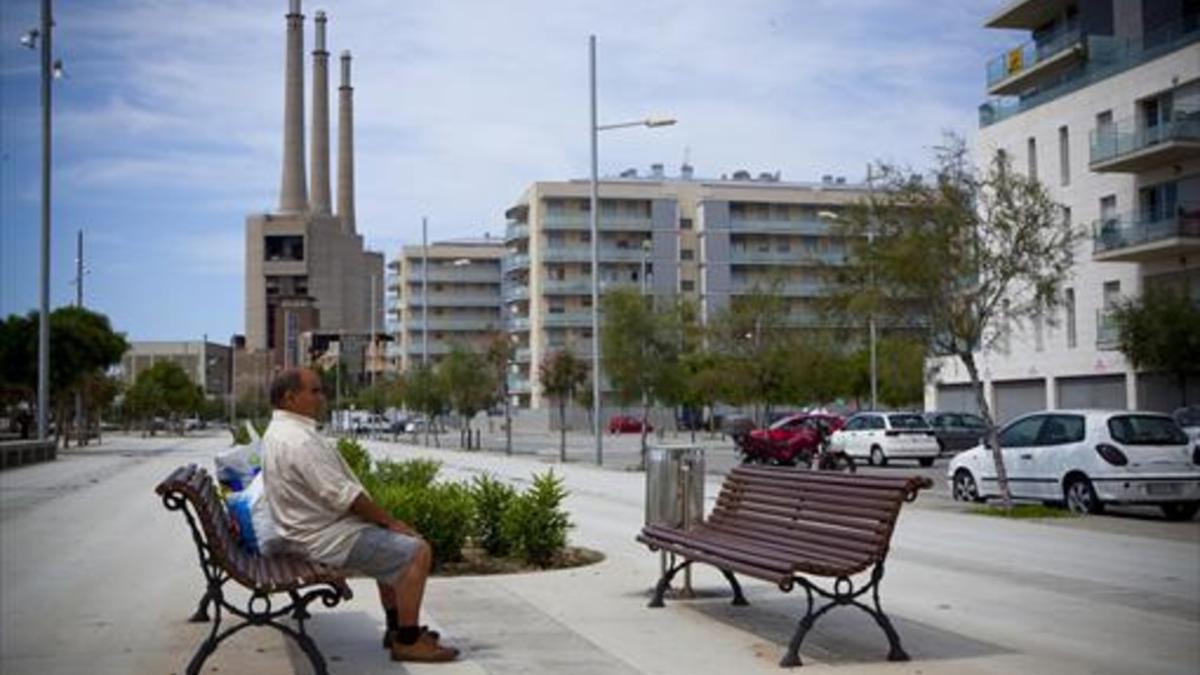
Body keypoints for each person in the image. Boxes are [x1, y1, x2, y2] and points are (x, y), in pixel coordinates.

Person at [262, 367, 458, 663]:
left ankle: (396, 629)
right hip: (320, 537)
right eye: (314, 391)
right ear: (290, 398)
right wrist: (390, 521)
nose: (322, 398)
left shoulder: (283, 431)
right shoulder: (297, 440)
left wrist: (383, 524)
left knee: (389, 544)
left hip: (309, 531)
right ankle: (407, 640)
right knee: (416, 552)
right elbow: (343, 495)